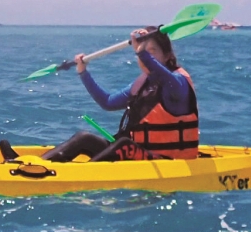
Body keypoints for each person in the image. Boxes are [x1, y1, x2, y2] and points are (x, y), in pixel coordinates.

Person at [40, 26, 198, 163]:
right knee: (84, 138)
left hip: (166, 160)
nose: (145, 58)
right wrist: (83, 73)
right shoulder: (143, 83)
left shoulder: (178, 83)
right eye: (142, 52)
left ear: (168, 55)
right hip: (139, 154)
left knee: (124, 144)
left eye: (152, 51)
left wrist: (142, 53)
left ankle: (81, 175)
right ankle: (40, 165)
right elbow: (108, 102)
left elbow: (167, 79)